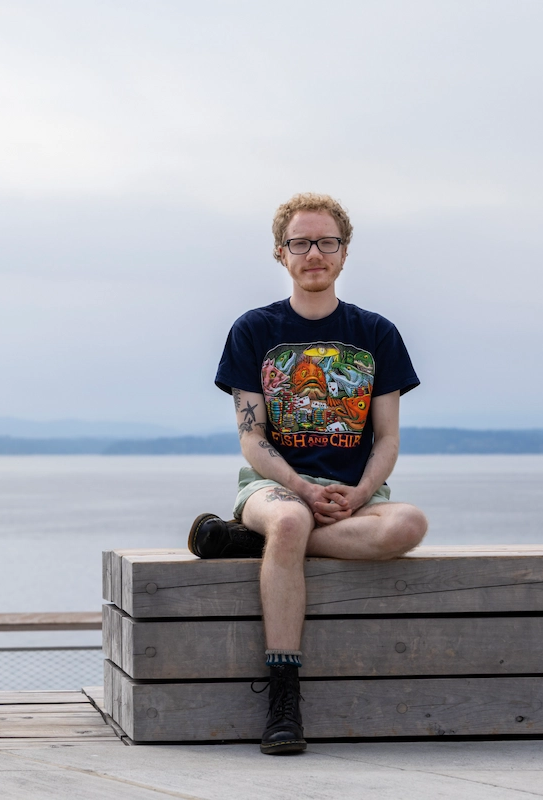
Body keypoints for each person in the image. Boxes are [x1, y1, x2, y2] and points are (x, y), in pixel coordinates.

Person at [189, 192, 429, 755]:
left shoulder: (376, 334)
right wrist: (300, 489)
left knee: (409, 524)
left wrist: (361, 492)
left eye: (326, 242)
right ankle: (283, 699)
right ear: (281, 253)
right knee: (292, 521)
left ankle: (253, 541)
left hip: (355, 494)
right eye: (301, 242)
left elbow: (388, 438)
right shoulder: (254, 329)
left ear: (344, 252)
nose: (314, 252)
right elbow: (253, 437)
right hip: (274, 487)